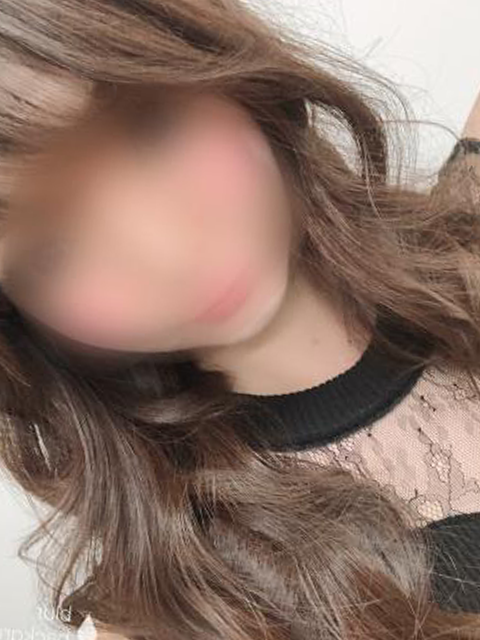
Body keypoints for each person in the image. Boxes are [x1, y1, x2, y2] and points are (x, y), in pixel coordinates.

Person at [0, 0, 479, 638]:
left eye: (150, 126)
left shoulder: (466, 230)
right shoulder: (183, 610)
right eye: (52, 253)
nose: (168, 252)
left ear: (209, 56)